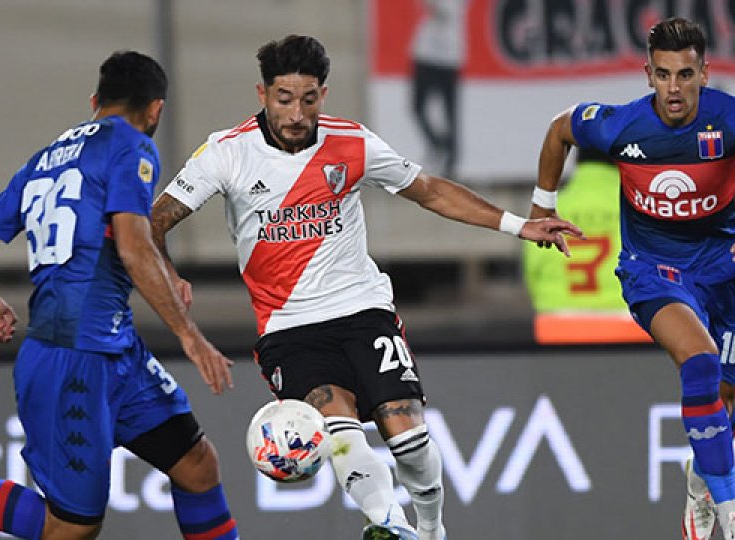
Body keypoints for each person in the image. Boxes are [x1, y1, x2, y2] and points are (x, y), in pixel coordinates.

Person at [151, 35, 582, 540]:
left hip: (363, 310)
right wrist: (168, 272)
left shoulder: (351, 142)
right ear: (262, 94)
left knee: (406, 428)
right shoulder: (226, 152)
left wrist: (516, 224)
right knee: (338, 423)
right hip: (288, 327)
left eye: (308, 99)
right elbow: (154, 221)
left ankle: (431, 529)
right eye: (283, 99)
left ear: (323, 95)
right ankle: (388, 525)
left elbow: (430, 191)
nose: (295, 113)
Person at [0, 51, 239, 540]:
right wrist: (189, 336)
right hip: (72, 356)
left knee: (197, 466)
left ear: (95, 101)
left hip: (114, 349)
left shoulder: (45, 160)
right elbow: (133, 245)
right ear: (156, 109)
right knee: (73, 527)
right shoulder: (132, 145)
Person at [529, 17, 735, 540]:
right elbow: (559, 130)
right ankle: (731, 509)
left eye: (685, 75)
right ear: (647, 75)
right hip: (654, 271)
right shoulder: (621, 127)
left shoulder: (728, 120)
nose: (674, 89)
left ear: (705, 74)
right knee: (700, 359)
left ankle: (701, 478)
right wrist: (541, 203)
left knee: (724, 399)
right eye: (663, 75)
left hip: (722, 267)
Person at [522, 148, 651, 344]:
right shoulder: (640, 205)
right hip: (629, 328)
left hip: (557, 328)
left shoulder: (550, 209)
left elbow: (533, 270)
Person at [410, 0, 468, 178]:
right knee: (418, 107)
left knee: (450, 113)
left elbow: (443, 10)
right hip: (426, 53)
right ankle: (438, 145)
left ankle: (451, 161)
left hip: (449, 56)